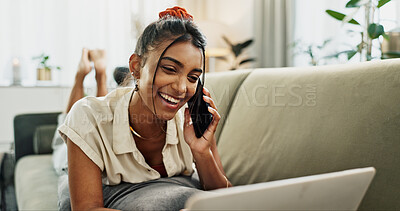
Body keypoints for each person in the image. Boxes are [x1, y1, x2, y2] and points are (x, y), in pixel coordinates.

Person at [57, 6, 232, 210]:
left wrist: (202, 152)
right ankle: (86, 75)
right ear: (136, 67)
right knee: (64, 132)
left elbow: (225, 197)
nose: (181, 88)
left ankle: (101, 78)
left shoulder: (192, 120)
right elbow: (87, 208)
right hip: (78, 140)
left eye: (193, 77)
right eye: (169, 69)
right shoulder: (86, 116)